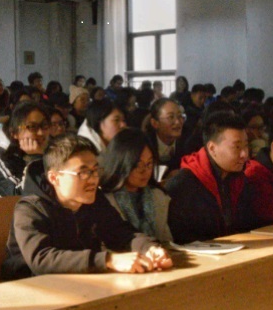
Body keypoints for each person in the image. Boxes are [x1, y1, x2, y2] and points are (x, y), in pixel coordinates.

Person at [2, 134, 172, 279]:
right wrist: (108, 260)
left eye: (95, 171)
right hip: (32, 288)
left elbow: (121, 233)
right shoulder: (30, 209)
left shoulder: (94, 200)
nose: (93, 180)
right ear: (54, 178)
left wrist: (150, 248)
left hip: (82, 282)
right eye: (83, 172)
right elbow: (42, 259)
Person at [165, 112, 257, 243]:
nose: (244, 154)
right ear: (212, 148)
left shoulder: (239, 179)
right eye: (237, 147)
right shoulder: (184, 185)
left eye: (246, 146)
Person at [100, 128, 173, 243]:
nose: (145, 171)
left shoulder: (158, 196)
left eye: (149, 163)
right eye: (138, 165)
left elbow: (167, 240)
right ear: (121, 164)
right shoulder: (104, 201)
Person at [0, 102, 48, 198]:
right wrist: (35, 159)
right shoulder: (0, 158)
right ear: (14, 133)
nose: (41, 132)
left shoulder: (54, 149)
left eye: (44, 125)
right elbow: (17, 195)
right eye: (32, 127)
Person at [145, 98, 186, 178]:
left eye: (180, 116)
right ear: (155, 123)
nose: (178, 122)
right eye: (171, 117)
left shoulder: (188, 141)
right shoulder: (145, 146)